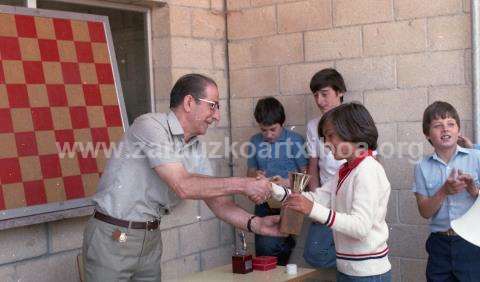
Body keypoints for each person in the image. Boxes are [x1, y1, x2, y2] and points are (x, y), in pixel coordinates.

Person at [82, 74, 282, 281]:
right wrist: (245, 184)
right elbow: (183, 185)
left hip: (150, 238)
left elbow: (219, 203)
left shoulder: (195, 147)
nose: (217, 116)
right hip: (114, 236)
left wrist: (257, 224)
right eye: (213, 106)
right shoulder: (150, 125)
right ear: (188, 102)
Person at [272, 102, 392, 281]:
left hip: (368, 274)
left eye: (330, 136)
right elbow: (317, 198)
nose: (326, 144)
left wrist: (311, 209)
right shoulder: (345, 170)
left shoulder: (368, 170)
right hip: (350, 270)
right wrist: (271, 190)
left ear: (352, 131)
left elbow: (360, 227)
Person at [412, 101, 480, 281]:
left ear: (458, 130)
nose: (445, 129)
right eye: (437, 126)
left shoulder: (476, 158)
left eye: (450, 124)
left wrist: (475, 191)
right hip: (439, 244)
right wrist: (444, 191)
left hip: (472, 242)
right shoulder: (421, 167)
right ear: (427, 134)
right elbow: (424, 211)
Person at [246, 97, 308, 265]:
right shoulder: (254, 141)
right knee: (264, 253)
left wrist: (286, 182)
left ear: (282, 123)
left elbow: (306, 176)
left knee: (275, 251)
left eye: (273, 129)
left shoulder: (295, 140)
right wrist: (256, 176)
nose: (268, 135)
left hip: (289, 203)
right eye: (263, 130)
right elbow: (250, 173)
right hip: (264, 203)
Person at [303, 68, 347, 268]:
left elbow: (371, 161)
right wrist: (316, 204)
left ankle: (357, 261)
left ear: (340, 92)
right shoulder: (313, 125)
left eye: (325, 94)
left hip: (352, 200)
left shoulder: (354, 119)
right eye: (315, 95)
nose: (320, 101)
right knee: (314, 254)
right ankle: (354, 259)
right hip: (326, 199)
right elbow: (313, 166)